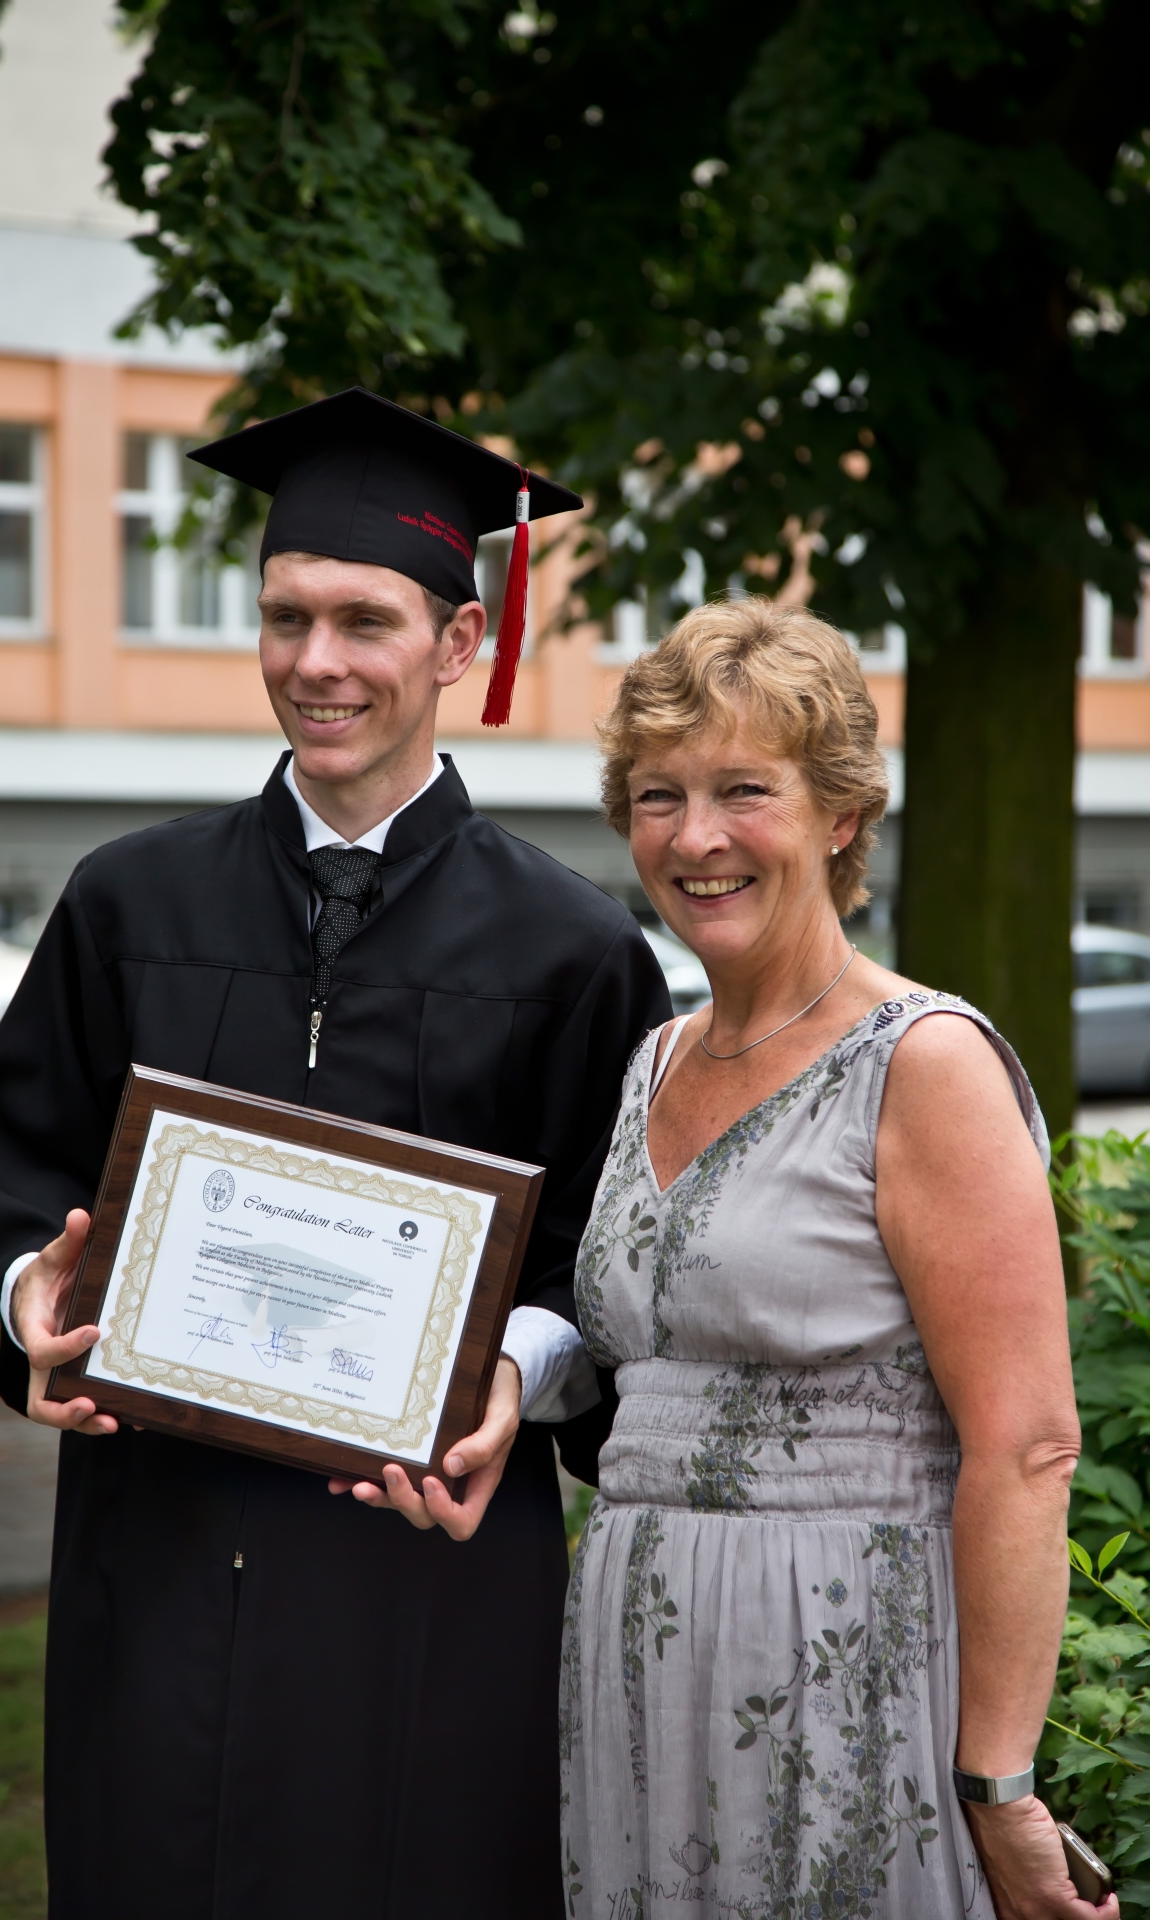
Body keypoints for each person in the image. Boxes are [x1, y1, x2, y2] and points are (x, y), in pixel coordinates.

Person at [0, 388, 671, 1920]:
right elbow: (27, 1165)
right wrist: (34, 1297)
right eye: (287, 617)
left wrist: (512, 1375)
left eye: (363, 621)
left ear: (460, 641)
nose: (316, 662)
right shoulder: (129, 903)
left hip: (421, 1561)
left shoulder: (571, 952)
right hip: (158, 1543)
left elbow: (604, 1271)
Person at [561, 598, 1113, 1920]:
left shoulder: (924, 1064)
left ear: (843, 814)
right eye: (658, 796)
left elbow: (1029, 1448)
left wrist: (1000, 1785)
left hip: (843, 1663)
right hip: (639, 1675)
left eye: (744, 791)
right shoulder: (652, 1062)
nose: (695, 837)